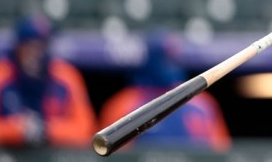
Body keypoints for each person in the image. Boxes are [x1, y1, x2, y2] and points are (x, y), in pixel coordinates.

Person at [98, 30, 231, 151]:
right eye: (164, 59)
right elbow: (110, 154)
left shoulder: (202, 103)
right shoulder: (123, 104)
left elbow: (221, 152)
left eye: (173, 59)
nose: (170, 67)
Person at [0, 14, 97, 147]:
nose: (36, 53)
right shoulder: (2, 74)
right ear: (18, 46)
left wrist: (47, 129)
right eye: (29, 45)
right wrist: (17, 130)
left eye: (42, 45)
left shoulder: (65, 75)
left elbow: (87, 129)